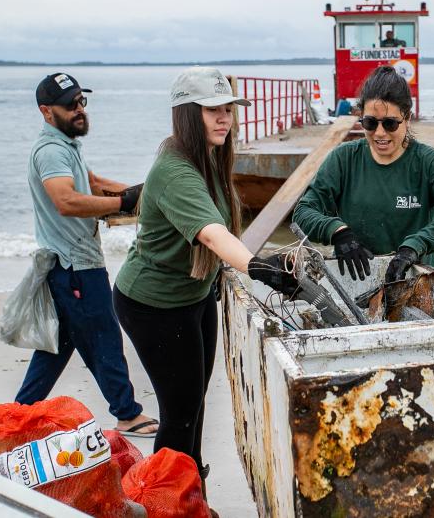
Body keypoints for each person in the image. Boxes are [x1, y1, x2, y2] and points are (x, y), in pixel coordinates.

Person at [112, 67, 300, 497]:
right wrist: (259, 269)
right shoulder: (176, 171)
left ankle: (191, 493)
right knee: (178, 414)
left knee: (193, 405)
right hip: (153, 304)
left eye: (229, 109)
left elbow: (219, 232)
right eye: (212, 110)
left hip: (194, 295)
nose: (224, 119)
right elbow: (212, 234)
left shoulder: (209, 158)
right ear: (185, 114)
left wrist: (238, 269)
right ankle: (163, 500)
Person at [17, 72, 158, 438]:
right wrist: (120, 202)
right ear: (46, 111)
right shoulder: (50, 152)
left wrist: (146, 192)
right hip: (75, 267)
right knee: (104, 337)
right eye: (70, 105)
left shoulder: (67, 146)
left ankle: (20, 414)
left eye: (82, 101)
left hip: (70, 267)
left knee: (57, 348)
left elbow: (92, 183)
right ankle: (127, 413)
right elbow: (66, 200)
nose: (80, 109)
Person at [293, 65, 434, 285]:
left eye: (389, 123)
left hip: (416, 280)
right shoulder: (343, 159)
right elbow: (303, 211)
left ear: (407, 117)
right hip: (356, 278)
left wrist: (414, 246)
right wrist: (336, 231)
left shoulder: (430, 162)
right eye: (370, 123)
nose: (379, 133)